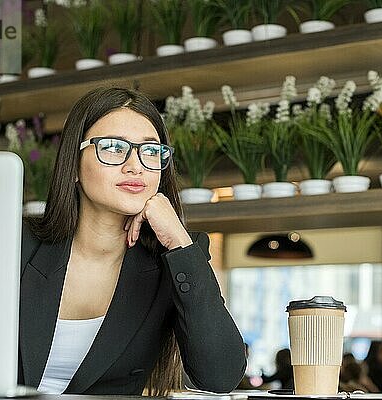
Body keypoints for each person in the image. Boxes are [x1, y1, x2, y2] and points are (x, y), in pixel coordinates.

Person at [17, 87, 246, 396]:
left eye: (150, 151)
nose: (135, 165)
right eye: (113, 147)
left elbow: (219, 376)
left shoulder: (174, 260)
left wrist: (179, 240)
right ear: (73, 165)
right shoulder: (17, 244)